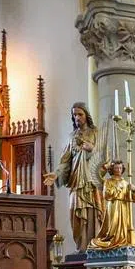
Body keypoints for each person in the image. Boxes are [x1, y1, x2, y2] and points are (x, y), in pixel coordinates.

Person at [46, 102, 103, 252]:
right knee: (75, 215)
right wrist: (56, 173)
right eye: (74, 115)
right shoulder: (72, 137)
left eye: (80, 114)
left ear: (86, 115)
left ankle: (93, 246)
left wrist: (93, 149)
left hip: (91, 181)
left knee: (92, 214)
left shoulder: (95, 133)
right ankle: (81, 247)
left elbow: (106, 158)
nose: (77, 117)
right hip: (76, 181)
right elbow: (65, 161)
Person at [89, 159, 135, 250]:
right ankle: (112, 239)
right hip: (113, 206)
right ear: (112, 169)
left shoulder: (126, 183)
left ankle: (122, 240)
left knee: (123, 227)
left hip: (123, 207)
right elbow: (106, 195)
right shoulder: (108, 182)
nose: (118, 170)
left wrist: (134, 190)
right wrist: (117, 190)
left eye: (120, 168)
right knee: (113, 226)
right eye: (116, 168)